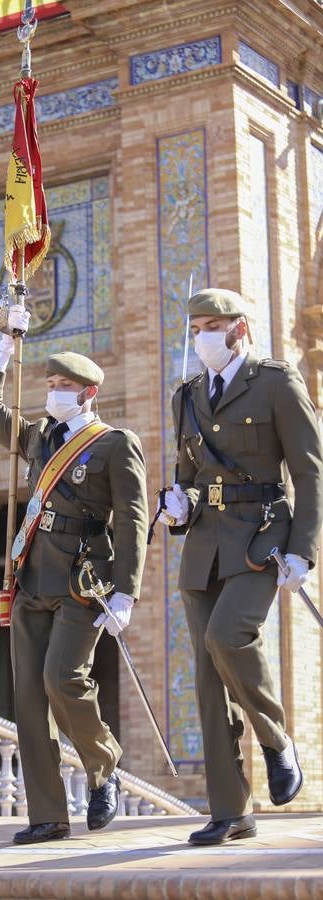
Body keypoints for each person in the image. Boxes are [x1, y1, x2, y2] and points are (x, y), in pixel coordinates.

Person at [0, 304, 149, 844]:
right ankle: (47, 815)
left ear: (88, 393)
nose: (53, 391)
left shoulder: (115, 444)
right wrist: (4, 345)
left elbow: (134, 520)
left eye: (64, 384)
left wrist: (126, 592)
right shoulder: (39, 437)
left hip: (81, 581)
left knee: (62, 678)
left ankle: (103, 763)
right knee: (27, 699)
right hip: (29, 579)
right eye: (49, 382)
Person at [159, 288, 323, 846]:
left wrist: (304, 547)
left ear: (239, 328)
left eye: (213, 325)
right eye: (196, 326)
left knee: (230, 636)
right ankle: (231, 810)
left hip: (261, 537)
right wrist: (176, 503)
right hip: (204, 544)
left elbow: (310, 470)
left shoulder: (276, 382)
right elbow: (187, 471)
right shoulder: (186, 395)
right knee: (209, 681)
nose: (202, 335)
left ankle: (276, 741)